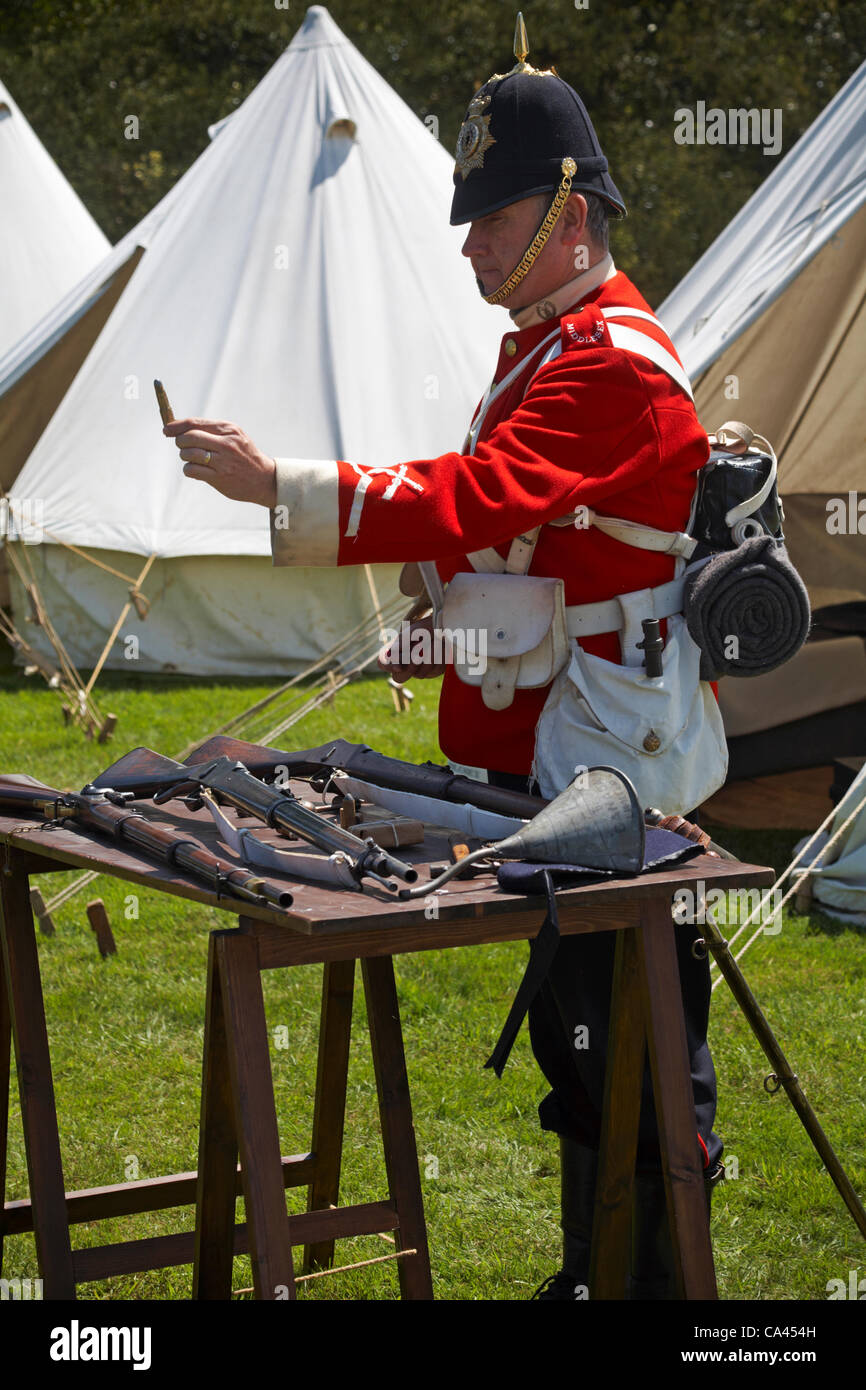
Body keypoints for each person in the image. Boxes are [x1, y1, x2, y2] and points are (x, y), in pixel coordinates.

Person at [166, 17, 728, 1299]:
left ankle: (654, 1282)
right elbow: (532, 539)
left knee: (631, 1043)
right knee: (586, 1045)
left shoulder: (607, 361)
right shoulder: (546, 338)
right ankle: (601, 1273)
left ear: (567, 215)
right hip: (569, 732)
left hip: (612, 751)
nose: (468, 238)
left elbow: (477, 493)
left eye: (492, 213)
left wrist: (280, 486)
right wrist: (449, 619)